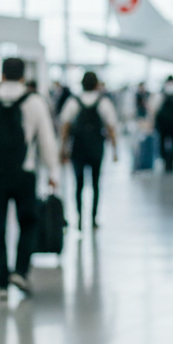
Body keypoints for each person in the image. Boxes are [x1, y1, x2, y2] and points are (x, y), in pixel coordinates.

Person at [0, 58, 60, 302]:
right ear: (23, 75)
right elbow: (47, 140)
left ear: (2, 74)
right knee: (28, 223)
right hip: (24, 173)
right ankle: (20, 271)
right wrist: (53, 173)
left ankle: (2, 284)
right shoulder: (35, 101)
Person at [59, 71, 119, 229]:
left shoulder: (73, 102)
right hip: (96, 148)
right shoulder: (103, 102)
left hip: (77, 148)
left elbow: (65, 125)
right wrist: (115, 149)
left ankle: (79, 217)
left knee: (78, 184)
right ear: (96, 84)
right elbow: (111, 127)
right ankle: (93, 218)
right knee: (95, 183)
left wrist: (63, 148)